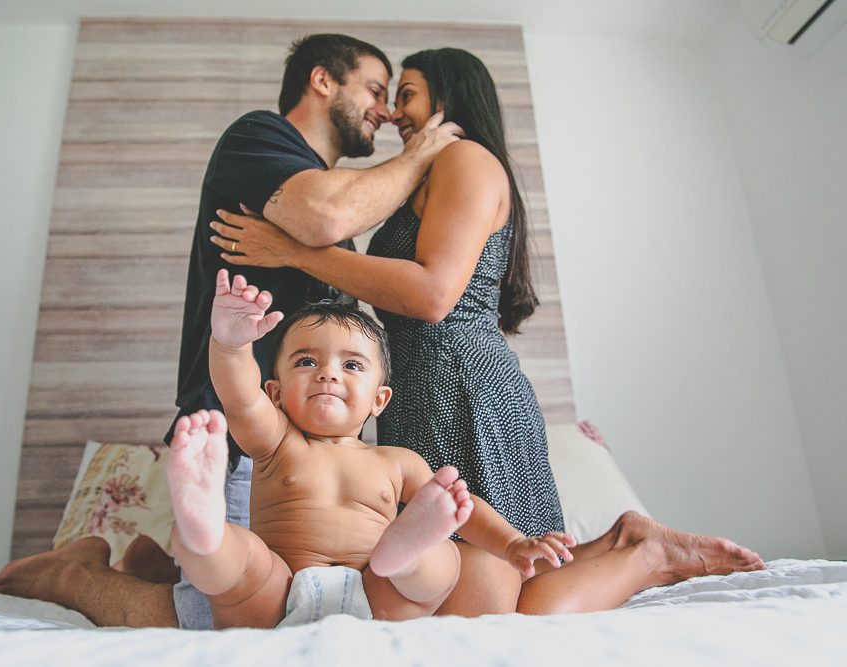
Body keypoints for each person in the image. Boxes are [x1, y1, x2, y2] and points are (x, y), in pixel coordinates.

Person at [208, 47, 767, 616]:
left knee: (498, 595)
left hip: (462, 386)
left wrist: (292, 252)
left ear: (447, 98)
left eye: (407, 95)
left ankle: (642, 556)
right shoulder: (426, 174)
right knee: (463, 582)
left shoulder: (467, 160)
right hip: (421, 388)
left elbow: (432, 295)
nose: (396, 113)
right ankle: (623, 541)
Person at [161, 33, 462, 628]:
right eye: (376, 90)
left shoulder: (325, 227)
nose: (387, 110)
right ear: (322, 81)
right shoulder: (259, 137)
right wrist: (418, 156)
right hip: (243, 437)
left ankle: (130, 557)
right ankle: (87, 570)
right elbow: (324, 215)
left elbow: (332, 228)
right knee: (217, 608)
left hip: (307, 453)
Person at [167, 270, 576, 628]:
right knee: (243, 561)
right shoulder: (276, 441)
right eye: (306, 362)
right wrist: (230, 346)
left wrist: (510, 543)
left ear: (379, 400)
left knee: (444, 558)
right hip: (279, 593)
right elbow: (239, 399)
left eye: (352, 365)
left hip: (377, 592)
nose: (328, 373)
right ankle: (204, 532)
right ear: (274, 393)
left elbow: (466, 509)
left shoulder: (396, 462)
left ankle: (408, 555)